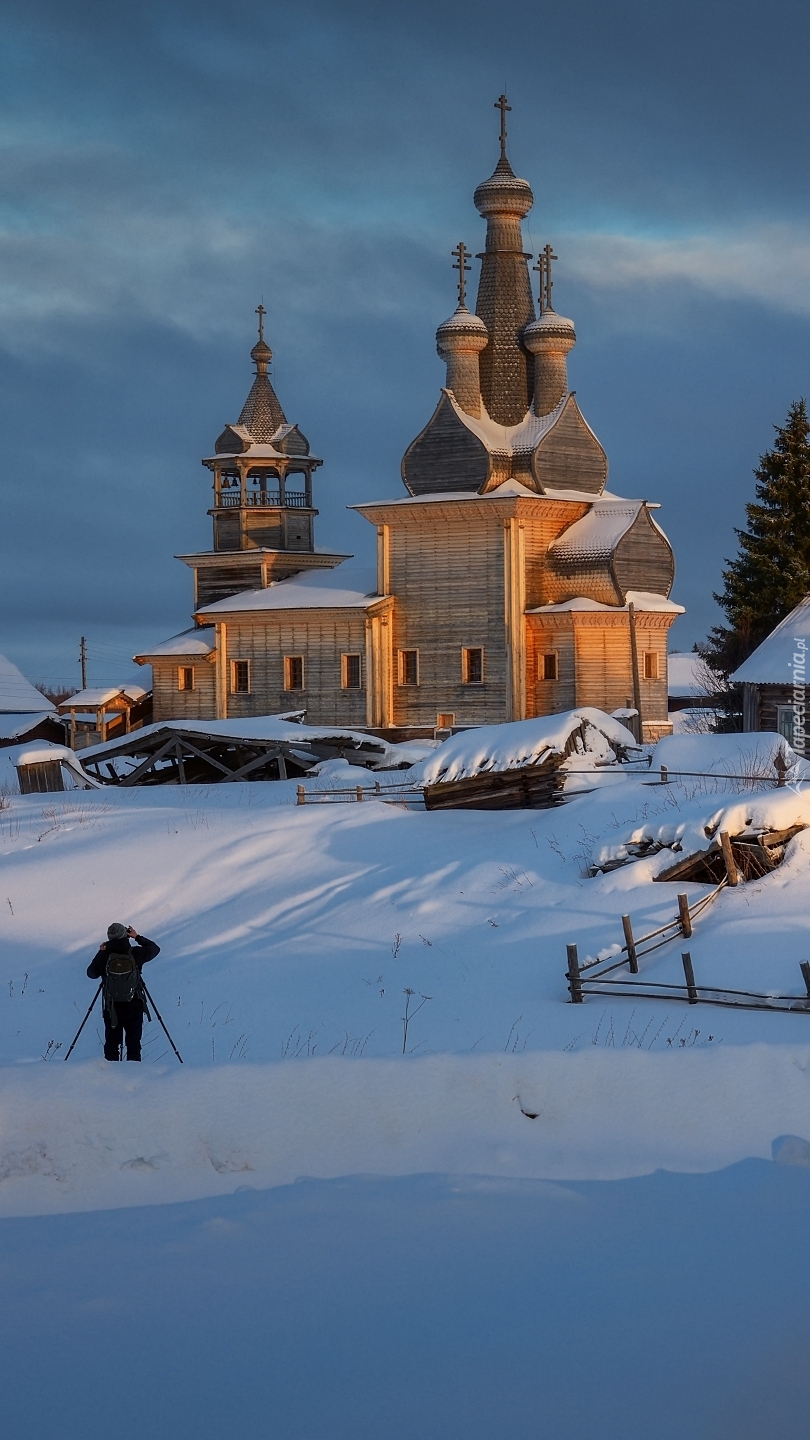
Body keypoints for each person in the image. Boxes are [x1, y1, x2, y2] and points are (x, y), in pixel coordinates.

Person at [87, 923, 160, 1062]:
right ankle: (133, 1077)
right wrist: (137, 936)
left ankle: (112, 1078)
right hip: (134, 1004)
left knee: (112, 1046)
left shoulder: (105, 955)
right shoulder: (136, 953)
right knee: (134, 1045)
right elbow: (155, 949)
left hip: (112, 1008)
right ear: (125, 935)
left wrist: (101, 952)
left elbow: (91, 973)